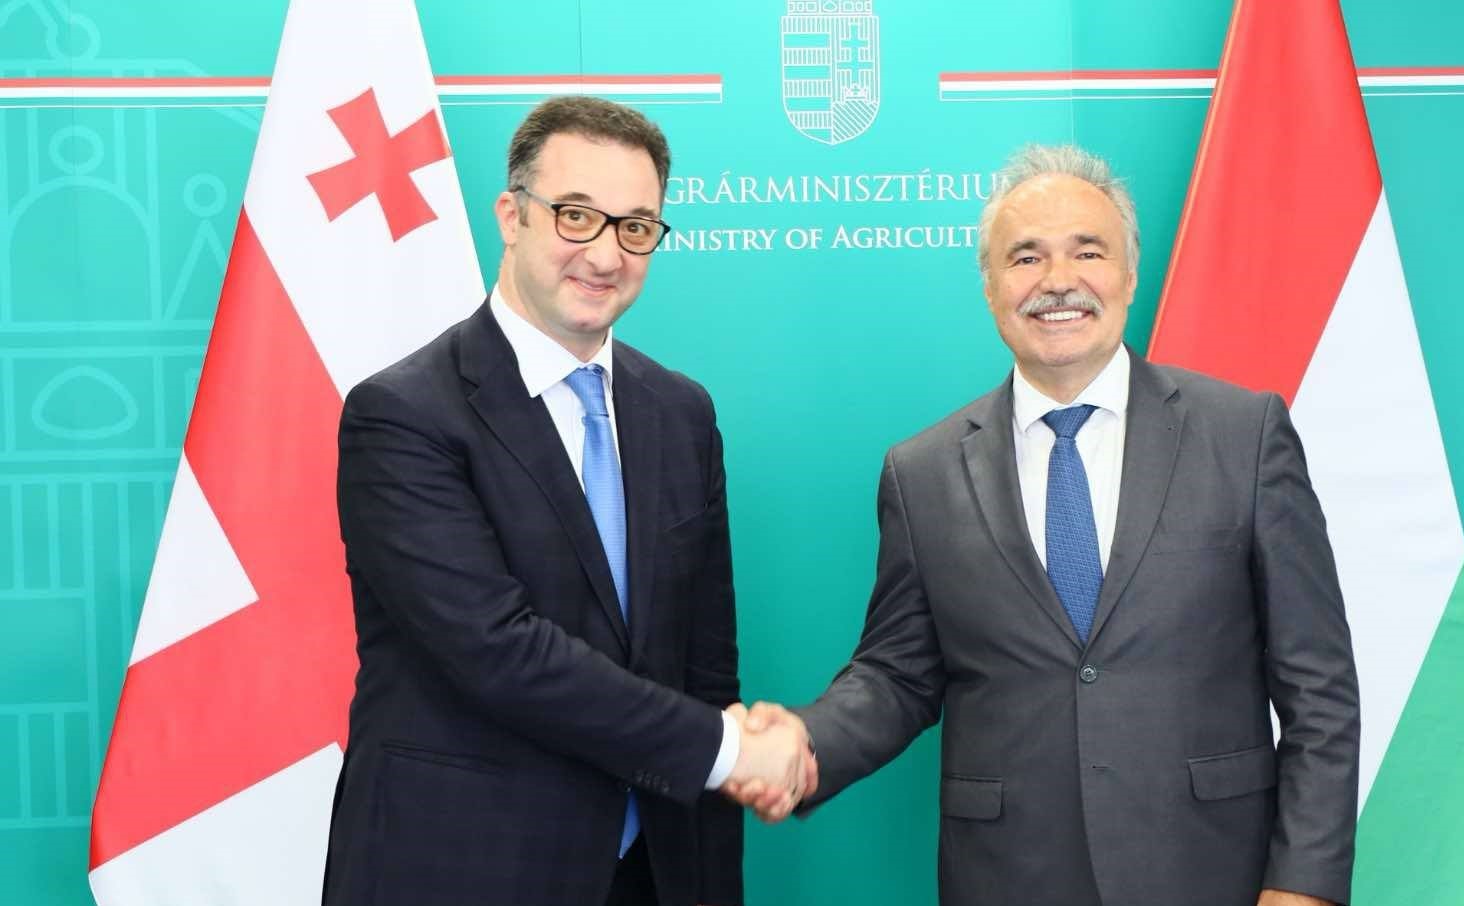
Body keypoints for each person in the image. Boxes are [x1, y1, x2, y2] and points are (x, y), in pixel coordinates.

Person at [731, 145, 1360, 906]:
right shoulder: (921, 471)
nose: (1058, 280)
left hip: (1212, 868)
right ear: (991, 288)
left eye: (1087, 252)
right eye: (1025, 257)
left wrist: (1303, 886)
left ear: (1129, 274)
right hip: (1009, 875)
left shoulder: (1244, 435)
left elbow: (1319, 687)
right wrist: (803, 745)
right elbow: (897, 674)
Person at [322, 96, 809, 906]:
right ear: (511, 216)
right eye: (576, 216)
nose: (606, 254)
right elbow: (498, 652)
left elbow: (704, 664)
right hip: (467, 870)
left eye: (636, 227)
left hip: (655, 868)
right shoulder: (403, 415)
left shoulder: (682, 413)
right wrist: (730, 751)